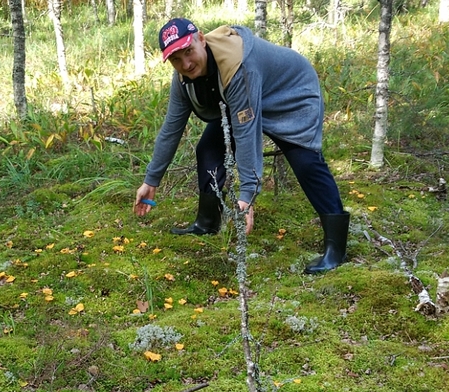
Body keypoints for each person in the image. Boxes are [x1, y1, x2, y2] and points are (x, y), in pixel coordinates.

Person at [133, 18, 350, 274]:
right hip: (247, 100)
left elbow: (247, 133)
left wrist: (248, 195)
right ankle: (207, 222)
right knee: (208, 150)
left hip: (292, 94)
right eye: (176, 60)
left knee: (305, 163)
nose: (186, 64)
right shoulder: (183, 78)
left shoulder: (237, 64)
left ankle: (336, 250)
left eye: (189, 52)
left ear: (201, 39)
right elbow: (171, 128)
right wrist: (152, 179)